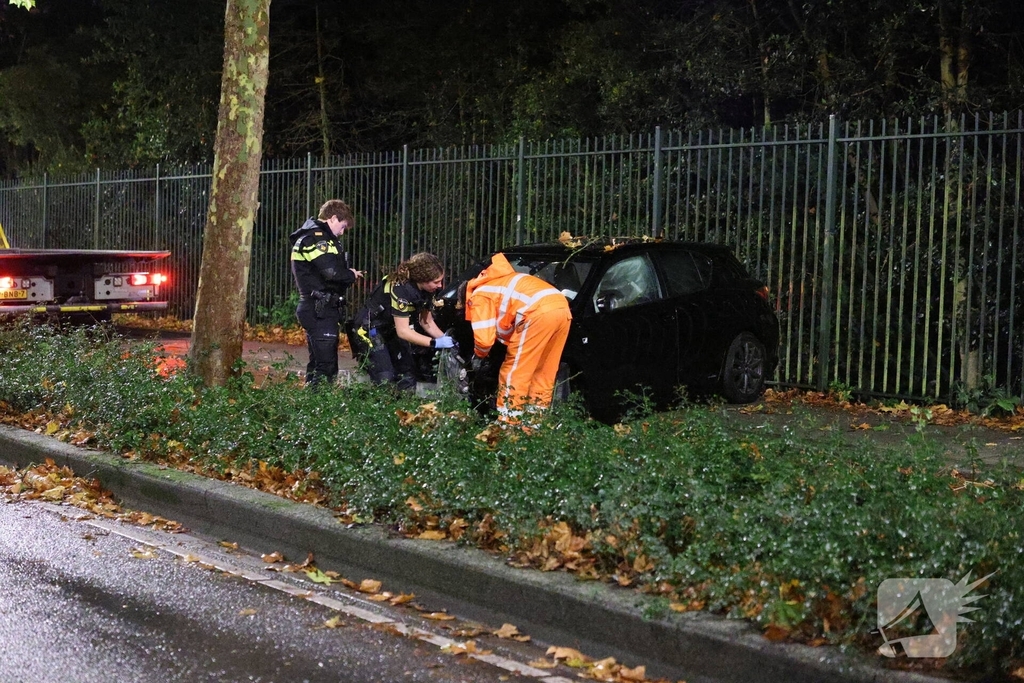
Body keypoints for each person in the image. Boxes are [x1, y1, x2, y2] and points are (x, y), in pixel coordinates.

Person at [464, 252, 571, 427]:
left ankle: (508, 425)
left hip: (537, 313)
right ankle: (534, 425)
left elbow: (484, 341)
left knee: (515, 370)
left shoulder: (480, 295)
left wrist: (478, 356)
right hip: (561, 309)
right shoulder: (502, 282)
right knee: (544, 371)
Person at [351, 252, 455, 391]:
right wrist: (434, 343)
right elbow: (404, 331)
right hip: (370, 330)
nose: (440, 285)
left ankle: (405, 411)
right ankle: (380, 409)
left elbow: (427, 322)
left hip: (391, 330)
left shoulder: (427, 291)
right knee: (385, 377)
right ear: (422, 279)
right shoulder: (400, 289)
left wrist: (445, 338)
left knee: (407, 375)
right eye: (436, 282)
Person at [290, 199, 364, 387]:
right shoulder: (317, 239)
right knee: (326, 368)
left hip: (318, 307)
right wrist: (350, 275)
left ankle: (310, 406)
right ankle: (318, 409)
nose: (342, 232)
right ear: (333, 218)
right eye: (343, 226)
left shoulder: (315, 237)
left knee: (318, 364)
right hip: (318, 309)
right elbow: (331, 273)